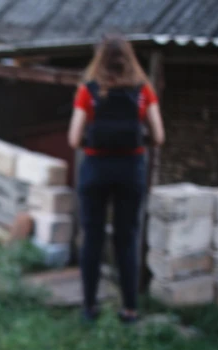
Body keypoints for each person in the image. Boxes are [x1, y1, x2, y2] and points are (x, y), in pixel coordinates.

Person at [67, 34, 165, 324]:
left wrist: (94, 141)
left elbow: (74, 138)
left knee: (92, 237)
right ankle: (130, 309)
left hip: (95, 168)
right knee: (127, 238)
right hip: (131, 169)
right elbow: (159, 136)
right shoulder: (143, 91)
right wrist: (139, 141)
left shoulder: (89, 91)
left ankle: (89, 307)